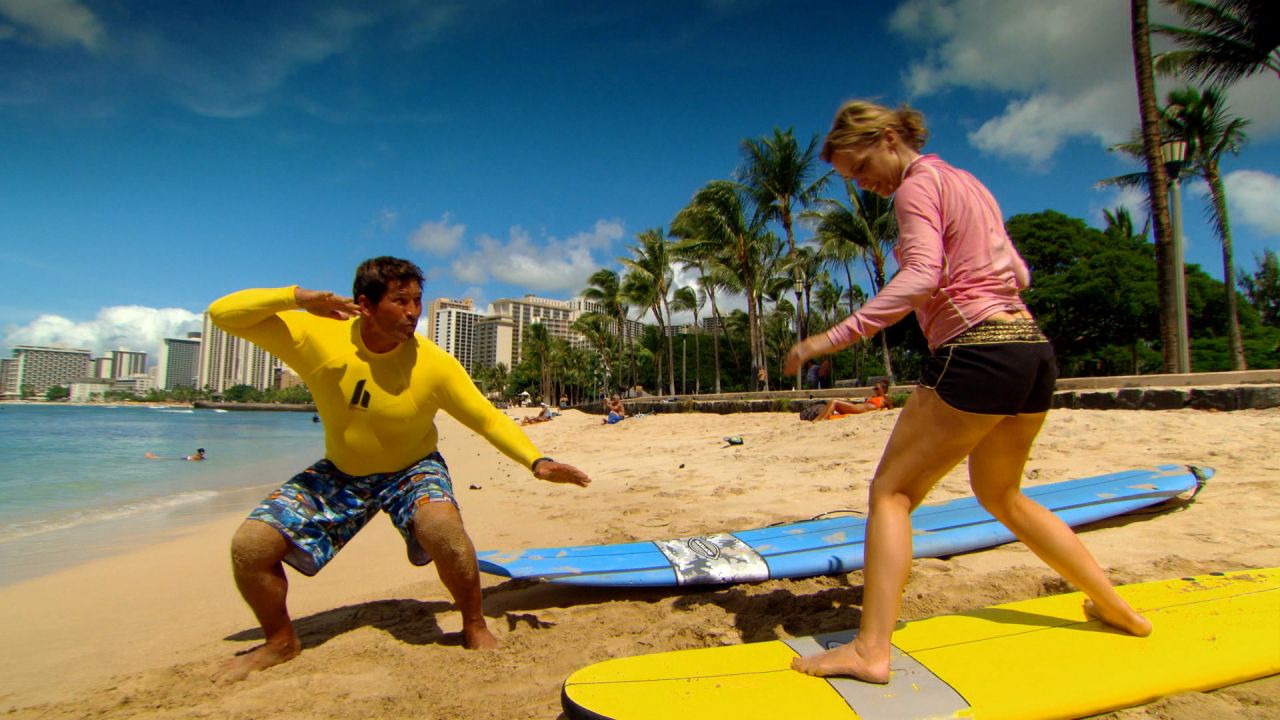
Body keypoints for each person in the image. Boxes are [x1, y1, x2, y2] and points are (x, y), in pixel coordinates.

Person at [783, 101, 1150, 683]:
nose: (865, 185)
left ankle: (870, 650)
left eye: (860, 167)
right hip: (1031, 350)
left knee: (892, 493)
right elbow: (1019, 274)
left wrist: (831, 338)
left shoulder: (914, 188)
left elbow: (922, 276)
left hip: (976, 352)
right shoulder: (968, 182)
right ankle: (1117, 608)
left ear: (886, 137)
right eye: (852, 180)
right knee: (1002, 495)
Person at [206, 256, 591, 683]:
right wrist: (298, 298)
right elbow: (222, 314)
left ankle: (473, 624)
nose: (412, 311)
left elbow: (487, 417)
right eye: (400, 300)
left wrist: (536, 461)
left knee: (442, 528)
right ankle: (280, 642)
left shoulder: (434, 363)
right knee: (251, 546)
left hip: (413, 468)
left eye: (417, 301)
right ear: (365, 305)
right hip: (341, 473)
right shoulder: (314, 335)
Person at [800, 381, 893, 421]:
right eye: (874, 388)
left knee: (834, 402)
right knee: (833, 402)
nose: (875, 390)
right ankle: (819, 419)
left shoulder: (885, 399)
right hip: (857, 407)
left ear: (883, 389)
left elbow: (891, 409)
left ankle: (820, 419)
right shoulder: (874, 397)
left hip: (859, 409)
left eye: (877, 388)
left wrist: (883, 409)